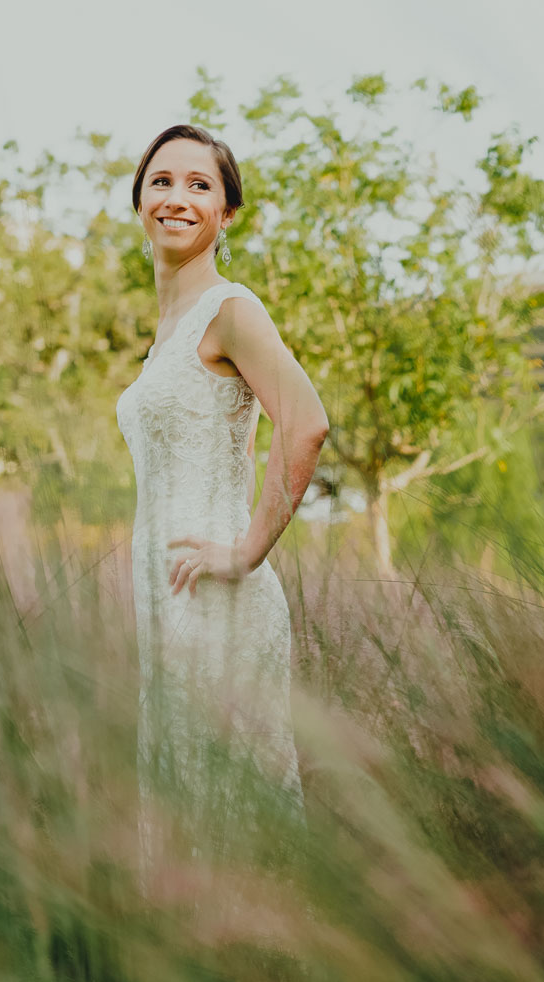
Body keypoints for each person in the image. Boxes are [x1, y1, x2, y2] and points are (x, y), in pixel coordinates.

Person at [115, 124, 330, 880]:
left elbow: (305, 425)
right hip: (168, 603)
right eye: (162, 181)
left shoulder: (230, 310)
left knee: (228, 810)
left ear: (226, 213)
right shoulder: (169, 328)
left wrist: (244, 550)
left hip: (218, 598)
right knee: (184, 806)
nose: (177, 197)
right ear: (140, 200)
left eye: (200, 185)